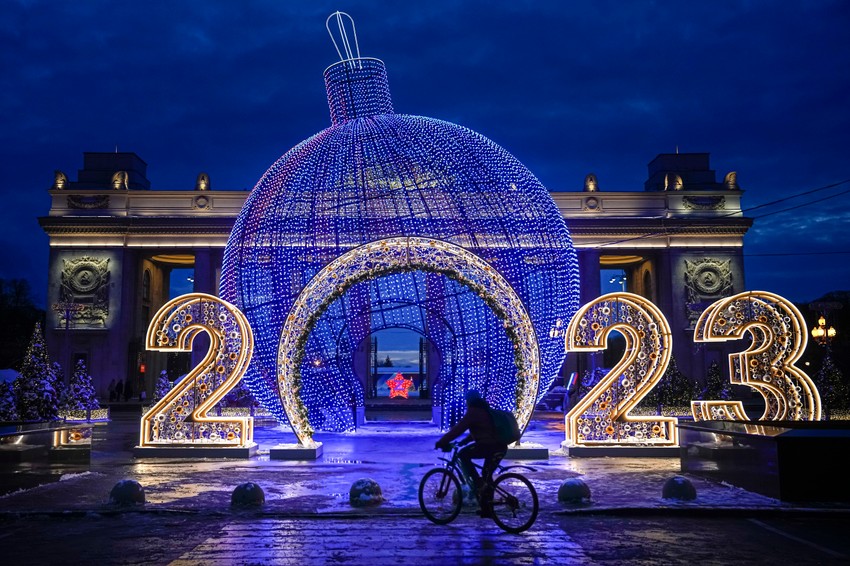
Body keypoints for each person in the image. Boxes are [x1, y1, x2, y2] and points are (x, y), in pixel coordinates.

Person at [435, 390, 508, 518]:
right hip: (499, 447)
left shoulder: (473, 412)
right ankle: (487, 509)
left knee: (463, 455)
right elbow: (480, 431)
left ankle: (478, 483)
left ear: (469, 400)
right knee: (487, 476)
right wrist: (464, 441)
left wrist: (442, 441)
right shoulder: (485, 410)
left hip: (489, 447)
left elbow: (457, 429)